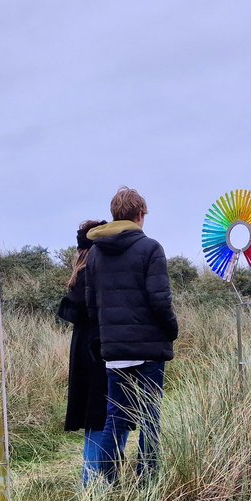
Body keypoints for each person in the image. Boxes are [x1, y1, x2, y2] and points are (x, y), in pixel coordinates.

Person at [83, 186, 178, 482]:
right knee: (150, 416)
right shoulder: (151, 248)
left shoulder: (95, 253)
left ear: (115, 215)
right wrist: (171, 330)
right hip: (149, 350)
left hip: (115, 351)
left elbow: (91, 305)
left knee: (116, 417)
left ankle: (107, 482)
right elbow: (160, 301)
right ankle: (146, 482)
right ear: (140, 215)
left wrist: (109, 336)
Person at [58, 219, 110, 487]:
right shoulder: (94, 273)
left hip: (83, 351)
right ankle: (93, 483)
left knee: (96, 418)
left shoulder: (79, 274)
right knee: (101, 417)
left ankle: (93, 482)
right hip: (97, 352)